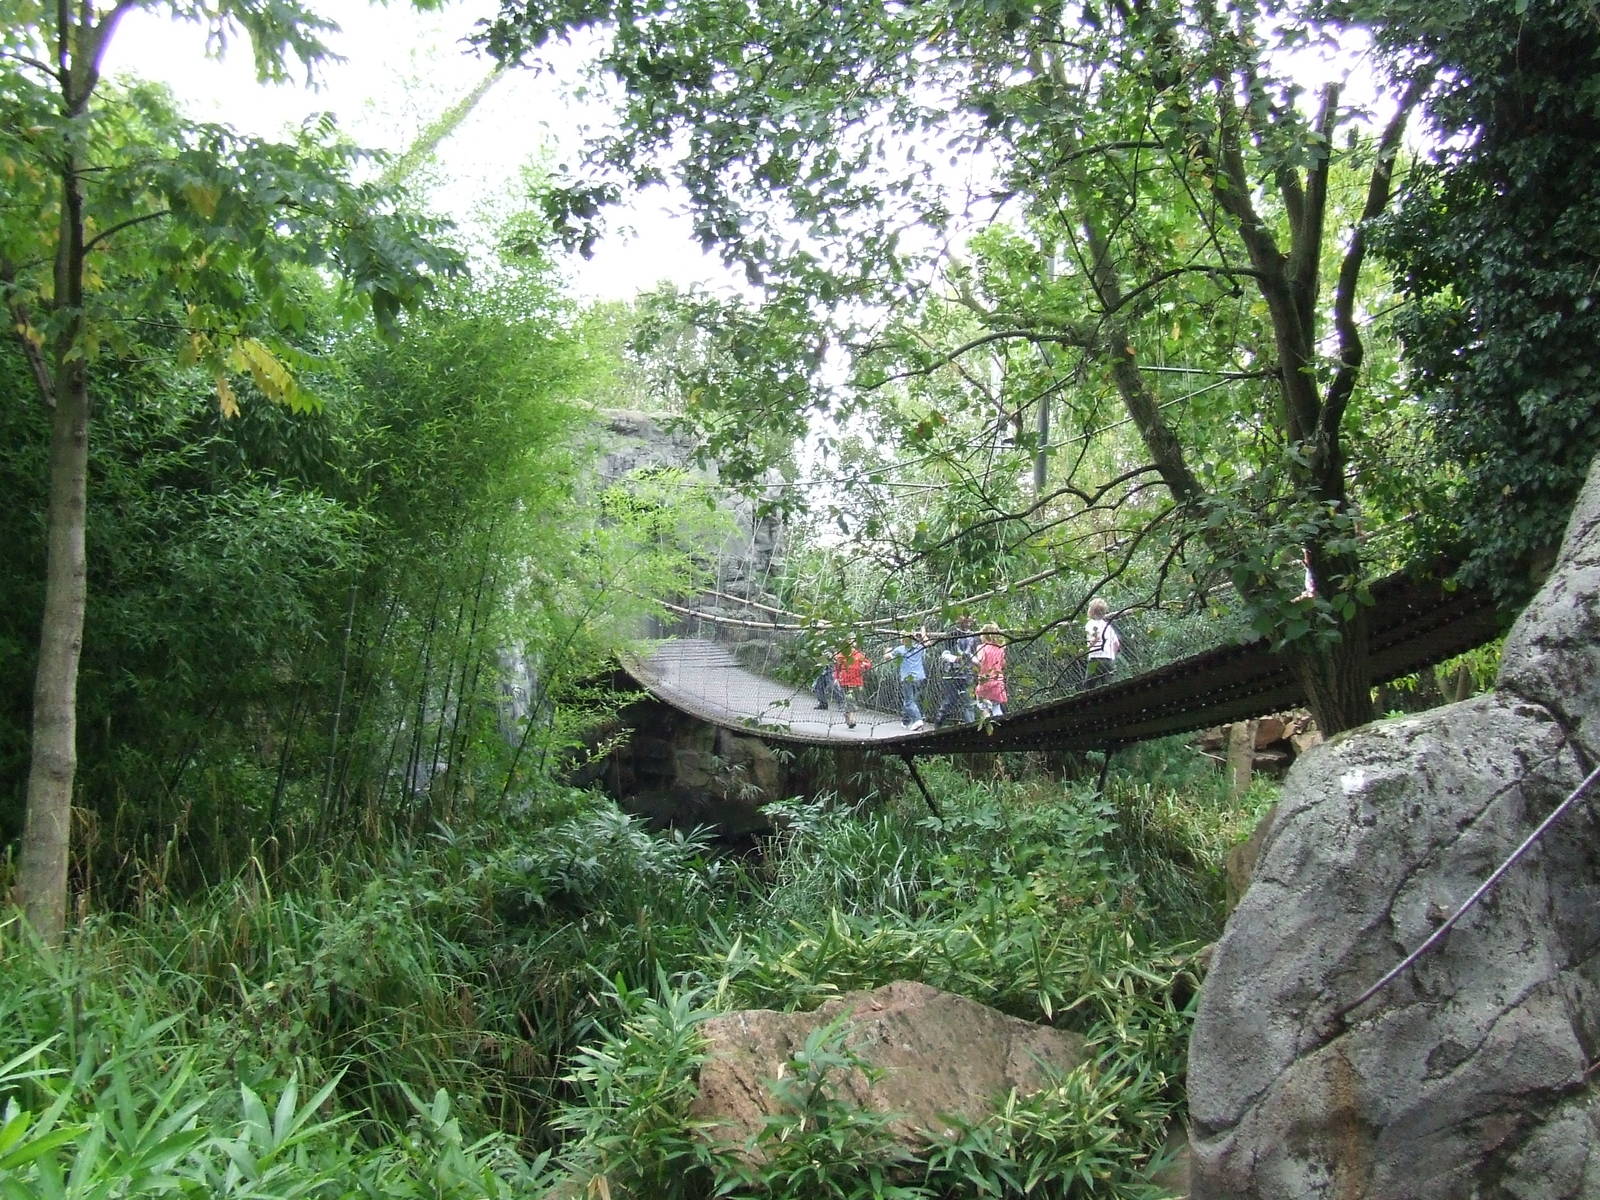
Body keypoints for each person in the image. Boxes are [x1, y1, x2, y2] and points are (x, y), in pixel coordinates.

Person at [933, 614, 979, 725]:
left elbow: (973, 654)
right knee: (950, 701)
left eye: (969, 619)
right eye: (965, 619)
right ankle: (938, 724)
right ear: (959, 620)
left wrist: (978, 664)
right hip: (952, 673)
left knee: (969, 703)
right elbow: (944, 654)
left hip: (968, 673)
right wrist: (955, 659)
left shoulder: (974, 636)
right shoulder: (952, 635)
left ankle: (971, 728)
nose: (968, 622)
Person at [884, 629, 930, 730]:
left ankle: (918, 720)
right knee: (912, 700)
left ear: (903, 640)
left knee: (909, 701)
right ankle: (906, 720)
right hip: (920, 677)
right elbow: (928, 643)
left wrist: (887, 651)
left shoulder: (900, 649)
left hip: (907, 678)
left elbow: (887, 657)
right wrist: (923, 633)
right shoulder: (918, 647)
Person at [830, 640, 871, 729]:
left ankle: (847, 714)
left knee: (854, 698)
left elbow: (868, 664)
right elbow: (837, 668)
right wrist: (836, 678)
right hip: (845, 680)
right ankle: (852, 719)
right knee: (850, 698)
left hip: (857, 681)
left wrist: (865, 665)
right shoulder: (841, 655)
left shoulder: (859, 655)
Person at [1084, 597, 1120, 688]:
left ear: (1091, 611)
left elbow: (1096, 637)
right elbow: (1116, 644)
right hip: (1108, 659)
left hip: (1095, 659)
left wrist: (1087, 647)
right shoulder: (1107, 626)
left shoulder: (1090, 623)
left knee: (1088, 685)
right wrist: (1112, 656)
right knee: (1108, 686)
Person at [973, 623, 1008, 717]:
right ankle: (1000, 724)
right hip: (998, 681)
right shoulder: (1000, 649)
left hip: (985, 680)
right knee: (996, 706)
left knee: (984, 706)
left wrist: (971, 659)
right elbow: (1003, 664)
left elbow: (980, 661)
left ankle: (988, 724)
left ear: (984, 635)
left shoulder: (982, 647)